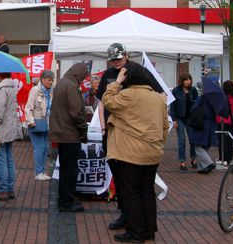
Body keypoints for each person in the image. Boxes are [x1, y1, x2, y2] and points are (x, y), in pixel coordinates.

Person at [96, 43, 165, 230]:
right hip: (115, 134)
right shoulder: (108, 74)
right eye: (113, 60)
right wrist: (103, 129)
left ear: (126, 55)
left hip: (133, 139)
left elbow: (162, 95)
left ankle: (135, 226)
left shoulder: (139, 72)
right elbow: (102, 103)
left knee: (133, 186)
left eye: (118, 59)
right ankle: (132, 219)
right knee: (124, 182)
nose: (116, 63)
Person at [49, 63, 89, 212]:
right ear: (78, 75)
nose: (83, 80)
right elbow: (76, 112)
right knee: (70, 170)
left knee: (65, 169)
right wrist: (83, 129)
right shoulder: (71, 86)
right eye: (83, 77)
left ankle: (64, 199)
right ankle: (67, 201)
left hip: (61, 133)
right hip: (69, 134)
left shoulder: (62, 83)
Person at [188, 80, 228, 175]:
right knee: (205, 146)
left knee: (197, 147)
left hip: (202, 124)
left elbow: (194, 108)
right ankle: (203, 168)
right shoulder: (216, 101)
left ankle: (209, 163)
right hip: (212, 124)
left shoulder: (203, 97)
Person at [0, 72, 22, 201]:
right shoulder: (11, 87)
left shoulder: (2, 89)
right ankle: (9, 188)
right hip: (10, 127)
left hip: (2, 128)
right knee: (9, 158)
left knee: (2, 159)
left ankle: (3, 189)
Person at [25, 70, 54, 181]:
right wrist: (31, 121)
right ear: (42, 79)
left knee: (46, 148)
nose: (50, 82)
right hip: (36, 124)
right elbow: (28, 107)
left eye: (52, 80)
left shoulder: (50, 91)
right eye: (48, 80)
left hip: (45, 124)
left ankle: (42, 172)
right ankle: (38, 172)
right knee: (39, 148)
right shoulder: (35, 90)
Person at [170, 73, 199, 171]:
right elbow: (172, 106)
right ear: (182, 80)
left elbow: (197, 103)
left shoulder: (193, 90)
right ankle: (182, 162)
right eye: (186, 79)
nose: (188, 81)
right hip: (179, 117)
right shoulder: (176, 90)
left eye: (189, 79)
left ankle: (193, 159)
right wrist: (173, 120)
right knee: (182, 140)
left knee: (192, 139)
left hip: (190, 118)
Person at [217, 80, 233, 164]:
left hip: (221, 120)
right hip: (230, 121)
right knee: (229, 141)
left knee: (222, 141)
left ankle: (223, 158)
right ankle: (229, 158)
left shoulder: (222, 98)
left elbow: (218, 109)